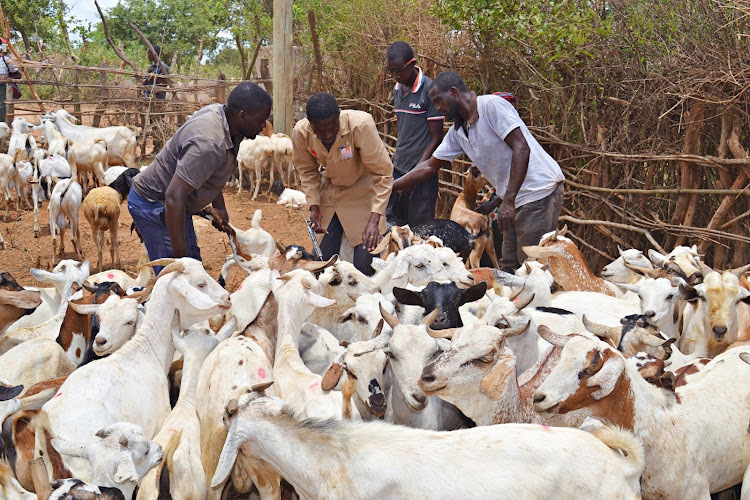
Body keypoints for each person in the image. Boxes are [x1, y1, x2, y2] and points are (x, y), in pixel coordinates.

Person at [392, 71, 565, 272]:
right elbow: (430, 166)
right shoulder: (458, 132)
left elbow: (521, 148)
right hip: (515, 198)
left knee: (532, 268)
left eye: (439, 101)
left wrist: (507, 200)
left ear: (454, 92)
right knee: (508, 266)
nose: (438, 108)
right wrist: (392, 186)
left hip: (538, 193)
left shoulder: (491, 106)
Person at [128, 82, 271, 272]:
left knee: (195, 269)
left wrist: (219, 206)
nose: (264, 126)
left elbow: (212, 170)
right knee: (178, 278)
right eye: (261, 120)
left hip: (176, 206)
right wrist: (181, 263)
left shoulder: (225, 119)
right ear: (242, 115)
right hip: (156, 205)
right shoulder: (209, 143)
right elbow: (173, 196)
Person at [293, 92, 393, 276]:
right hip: (330, 195)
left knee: (365, 265)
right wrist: (314, 206)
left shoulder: (361, 125)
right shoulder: (301, 132)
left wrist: (374, 219)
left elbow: (383, 173)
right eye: (320, 131)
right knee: (323, 264)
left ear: (339, 115)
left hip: (363, 195)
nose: (328, 135)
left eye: (333, 127)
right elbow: (307, 171)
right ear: (310, 124)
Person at [385, 41, 444, 225]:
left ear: (411, 64)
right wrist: (392, 162)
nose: (396, 76)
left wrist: (416, 174)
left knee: (419, 230)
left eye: (400, 70)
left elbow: (436, 138)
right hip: (399, 170)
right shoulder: (397, 90)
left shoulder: (429, 90)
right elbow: (404, 133)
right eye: (391, 71)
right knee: (396, 227)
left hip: (422, 175)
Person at [0, 39, 21, 123]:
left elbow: (17, 75)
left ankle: (1, 124)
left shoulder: (6, 60)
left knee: (2, 106)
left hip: (2, 87)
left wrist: (8, 78)